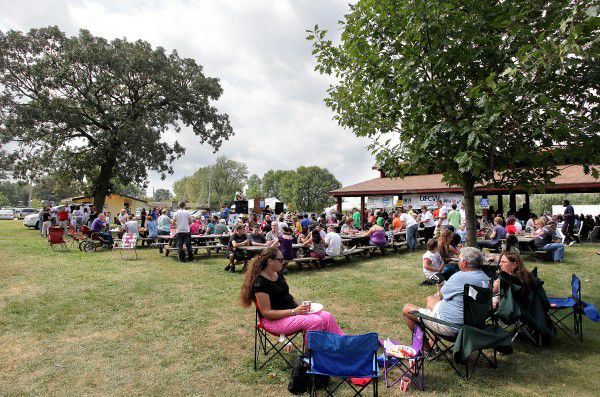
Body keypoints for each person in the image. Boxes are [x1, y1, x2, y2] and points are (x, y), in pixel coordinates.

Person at [240, 247, 343, 341]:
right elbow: (267, 313)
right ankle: (309, 357)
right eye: (280, 259)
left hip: (291, 314)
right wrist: (294, 311)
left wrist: (301, 307)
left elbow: (286, 294)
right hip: (273, 321)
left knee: (327, 317)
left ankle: (342, 344)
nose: (283, 262)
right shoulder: (260, 283)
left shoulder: (277, 274)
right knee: (315, 321)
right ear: (270, 261)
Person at [402, 247, 490, 337]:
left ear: (465, 263)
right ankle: (432, 338)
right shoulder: (486, 278)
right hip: (474, 325)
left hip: (452, 327)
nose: (458, 262)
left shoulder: (459, 277)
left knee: (406, 309)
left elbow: (441, 294)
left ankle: (427, 348)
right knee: (431, 299)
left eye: (459, 259)